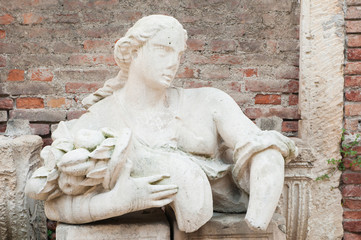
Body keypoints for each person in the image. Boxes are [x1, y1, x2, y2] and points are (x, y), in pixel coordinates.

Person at [26, 15, 297, 233]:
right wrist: (118, 202)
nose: (173, 63)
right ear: (132, 52)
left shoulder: (209, 102)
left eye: (178, 54)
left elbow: (263, 147)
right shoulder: (99, 120)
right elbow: (53, 204)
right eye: (163, 50)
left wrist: (258, 217)